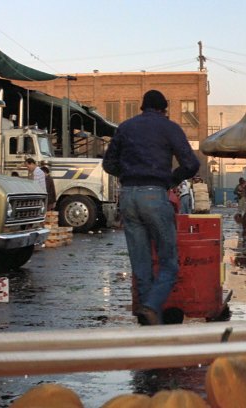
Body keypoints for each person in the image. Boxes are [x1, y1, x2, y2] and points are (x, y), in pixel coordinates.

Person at [103, 90, 199, 326]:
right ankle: (151, 305)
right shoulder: (169, 128)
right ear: (163, 109)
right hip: (155, 195)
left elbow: (108, 164)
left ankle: (148, 319)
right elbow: (191, 164)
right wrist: (171, 179)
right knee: (169, 262)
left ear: (142, 108)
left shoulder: (125, 127)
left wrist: (127, 175)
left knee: (141, 262)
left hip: (127, 197)